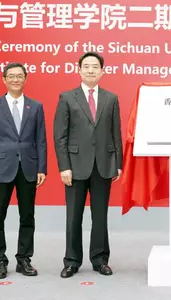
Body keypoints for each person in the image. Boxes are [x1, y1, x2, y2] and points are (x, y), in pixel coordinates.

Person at [53, 52, 123, 278]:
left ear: (102, 71)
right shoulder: (67, 97)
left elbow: (115, 134)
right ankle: (72, 261)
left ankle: (100, 259)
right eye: (86, 66)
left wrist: (117, 163)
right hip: (74, 166)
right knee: (73, 216)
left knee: (100, 215)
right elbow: (60, 136)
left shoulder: (111, 98)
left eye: (95, 66)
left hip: (103, 165)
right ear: (79, 70)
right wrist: (64, 166)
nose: (91, 70)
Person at [0, 62, 48, 279]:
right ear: (4, 79)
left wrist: (42, 168)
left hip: (28, 167)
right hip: (1, 168)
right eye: (11, 76)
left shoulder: (35, 106)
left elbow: (41, 140)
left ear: (25, 79)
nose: (15, 80)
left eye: (19, 76)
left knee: (27, 216)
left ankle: (24, 259)